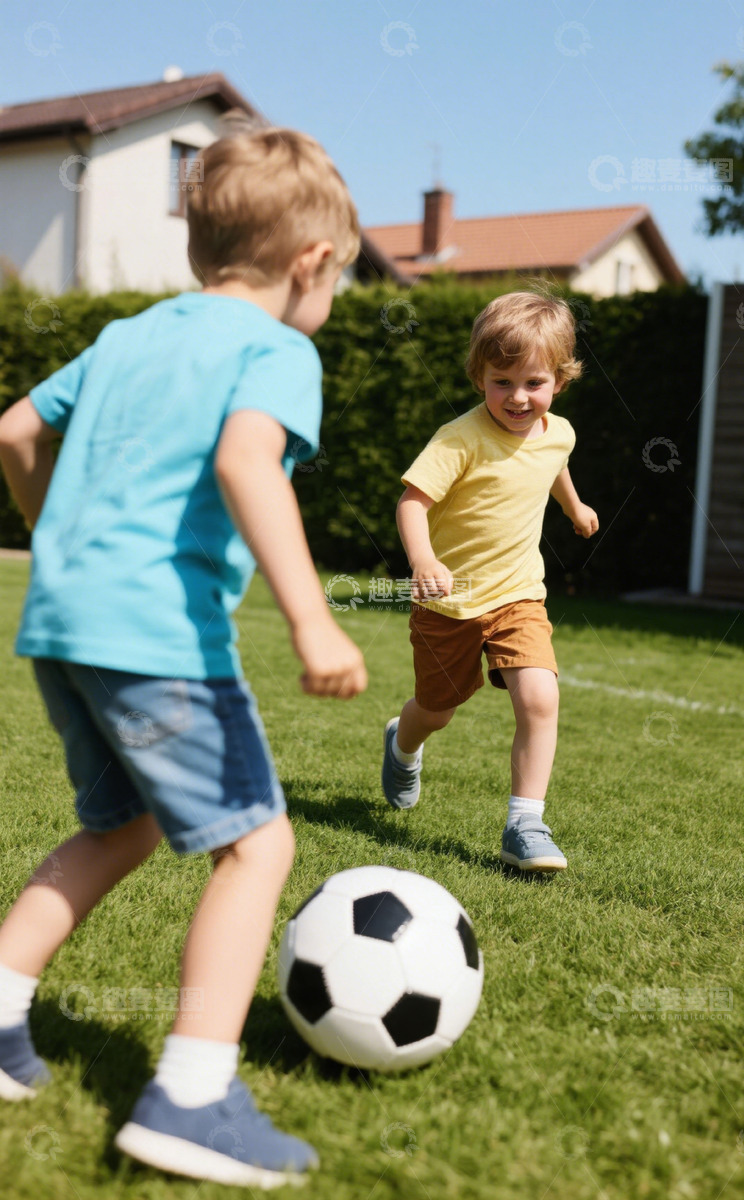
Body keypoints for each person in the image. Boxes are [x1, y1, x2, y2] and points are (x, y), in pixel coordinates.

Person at [0, 125, 367, 1189]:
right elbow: (248, 463)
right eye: (337, 278)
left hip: (62, 625)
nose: (330, 301)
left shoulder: (126, 336)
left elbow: (17, 430)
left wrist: (62, 542)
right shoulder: (276, 351)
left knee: (120, 824)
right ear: (308, 265)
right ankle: (194, 1094)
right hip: (158, 638)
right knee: (257, 849)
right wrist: (313, 620)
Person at [381, 291, 598, 872]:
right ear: (480, 376)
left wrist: (575, 509)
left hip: (519, 595)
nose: (519, 397)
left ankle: (525, 823)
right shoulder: (459, 438)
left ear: (560, 379)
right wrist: (423, 559)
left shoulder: (560, 432)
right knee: (437, 709)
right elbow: (411, 503)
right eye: (502, 381)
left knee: (540, 696)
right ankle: (404, 743)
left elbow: (555, 464)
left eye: (534, 382)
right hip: (447, 606)